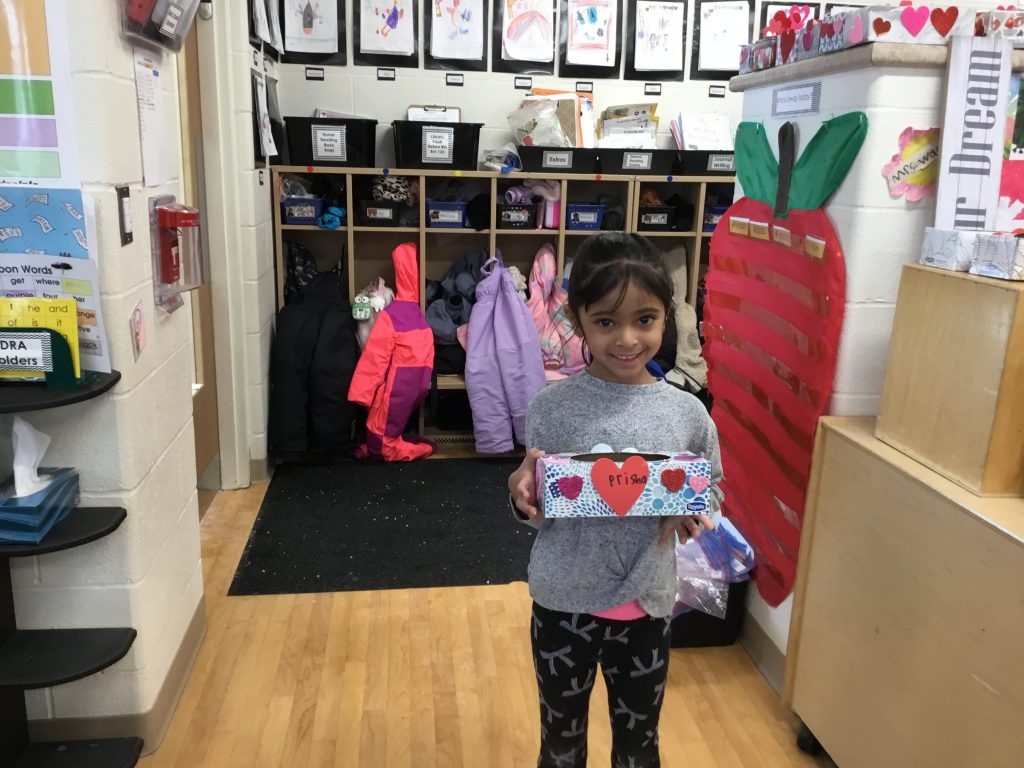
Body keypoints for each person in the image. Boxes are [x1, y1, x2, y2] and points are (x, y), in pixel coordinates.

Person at [507, 232, 722, 768]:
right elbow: (542, 506)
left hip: (647, 606)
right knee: (560, 748)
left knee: (639, 749)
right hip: (562, 606)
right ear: (577, 320)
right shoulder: (550, 408)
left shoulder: (687, 414)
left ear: (668, 316)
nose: (627, 339)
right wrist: (522, 494)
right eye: (605, 321)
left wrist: (696, 511)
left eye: (644, 319)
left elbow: (710, 489)